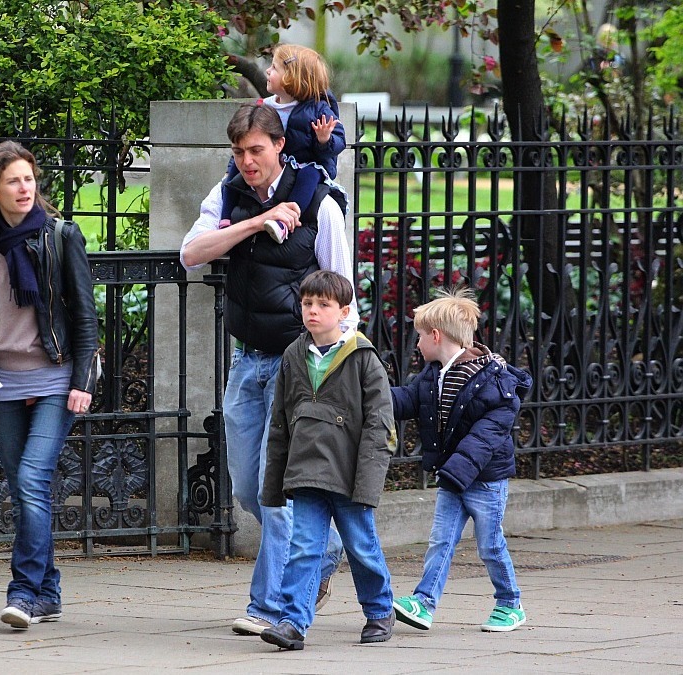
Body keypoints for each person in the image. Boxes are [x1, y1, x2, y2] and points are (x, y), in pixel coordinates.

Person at [180, 102, 357, 637]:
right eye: (239, 152)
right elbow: (191, 253)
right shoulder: (228, 193)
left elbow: (343, 289)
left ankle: (270, 606)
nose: (247, 161)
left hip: (297, 362)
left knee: (275, 488)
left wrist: (336, 363)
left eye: (256, 150)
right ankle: (323, 549)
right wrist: (256, 221)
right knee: (246, 489)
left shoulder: (318, 200)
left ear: (280, 145)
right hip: (246, 359)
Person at [0, 140, 99, 630]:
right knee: (24, 491)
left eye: (29, 179)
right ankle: (49, 591)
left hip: (57, 375)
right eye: (13, 181)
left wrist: (83, 380)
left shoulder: (61, 236)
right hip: (3, 379)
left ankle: (23, 592)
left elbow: (85, 313)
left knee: (31, 479)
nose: (24, 188)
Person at [260, 271, 396, 650]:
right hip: (305, 472)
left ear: (344, 311)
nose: (313, 311)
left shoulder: (363, 358)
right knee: (303, 547)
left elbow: (380, 426)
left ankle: (379, 610)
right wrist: (273, 486)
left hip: (349, 475)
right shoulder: (293, 356)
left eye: (323, 305)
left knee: (361, 547)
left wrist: (368, 483)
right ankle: (292, 623)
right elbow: (280, 424)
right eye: (307, 304)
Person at [389, 287, 533, 633]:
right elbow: (408, 400)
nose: (417, 344)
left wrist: (456, 471)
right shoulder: (433, 374)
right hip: (453, 477)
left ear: (436, 336)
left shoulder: (495, 382)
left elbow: (485, 438)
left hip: (485, 481)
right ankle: (424, 602)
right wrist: (373, 396)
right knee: (441, 541)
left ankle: (510, 604)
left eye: (420, 336)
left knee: (490, 545)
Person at [219, 44, 346, 244]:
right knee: (236, 169)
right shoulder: (266, 105)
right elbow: (246, 140)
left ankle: (284, 222)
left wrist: (324, 140)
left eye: (274, 68)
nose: (268, 72)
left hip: (307, 162)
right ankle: (225, 219)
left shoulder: (318, 108)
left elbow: (339, 141)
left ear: (292, 77)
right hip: (276, 163)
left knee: (309, 176)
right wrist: (231, 167)